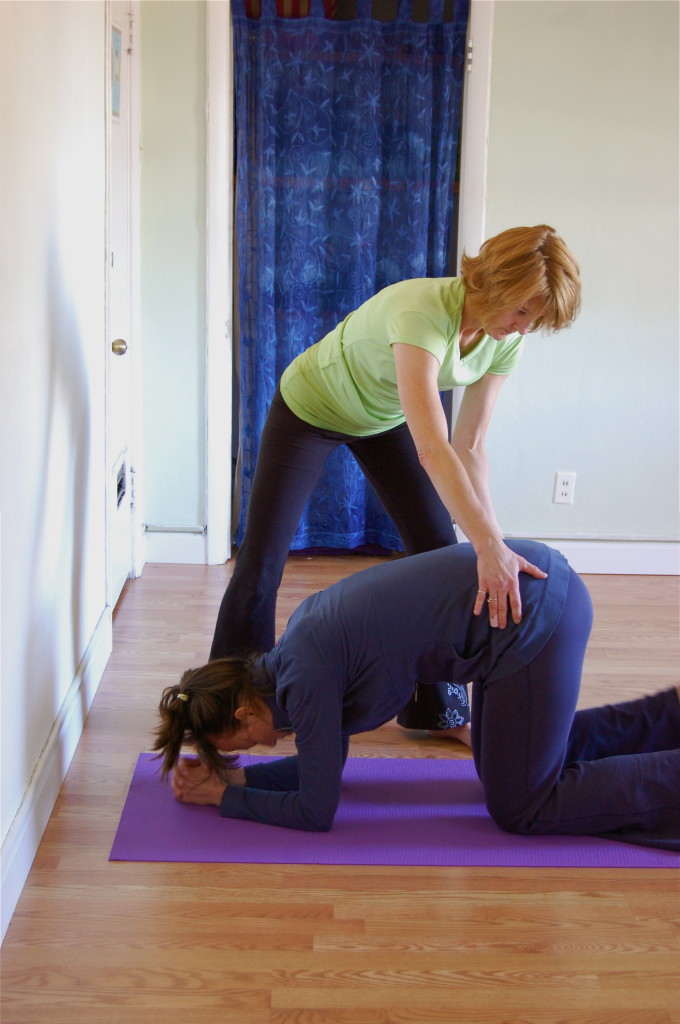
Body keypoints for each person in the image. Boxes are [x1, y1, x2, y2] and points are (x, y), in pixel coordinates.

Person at [210, 224, 582, 742]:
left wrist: (495, 542)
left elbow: (470, 444)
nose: (521, 328)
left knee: (438, 549)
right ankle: (229, 703)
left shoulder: (503, 344)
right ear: (494, 281)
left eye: (534, 320)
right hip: (310, 407)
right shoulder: (422, 311)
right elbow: (433, 447)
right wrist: (487, 544)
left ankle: (441, 712)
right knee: (263, 558)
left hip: (380, 421)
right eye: (520, 311)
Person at [155, 540, 680, 850]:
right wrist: (238, 777)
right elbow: (322, 765)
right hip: (524, 599)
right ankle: (669, 716)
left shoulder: (305, 678)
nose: (262, 745)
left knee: (523, 805)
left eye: (244, 741)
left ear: (246, 709)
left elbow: (317, 809)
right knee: (502, 768)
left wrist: (224, 797)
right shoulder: (296, 653)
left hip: (533, 613)